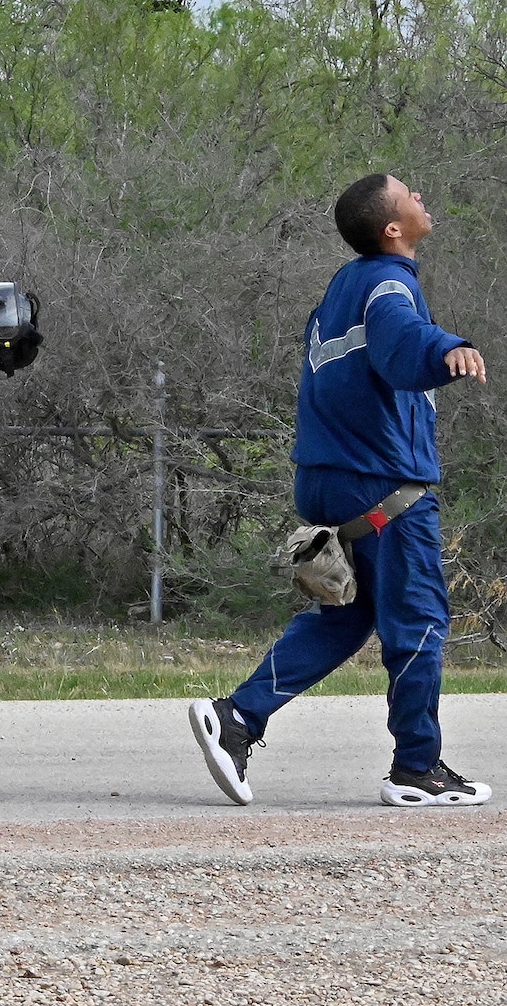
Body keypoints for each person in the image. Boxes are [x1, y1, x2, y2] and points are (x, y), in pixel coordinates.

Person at [190, 173, 491, 809]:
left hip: (328, 477)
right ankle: (416, 768)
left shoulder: (339, 288)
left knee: (349, 616)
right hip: (384, 485)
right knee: (418, 619)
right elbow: (400, 340)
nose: (422, 197)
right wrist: (448, 349)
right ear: (392, 228)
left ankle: (238, 718)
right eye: (411, 194)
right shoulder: (388, 283)